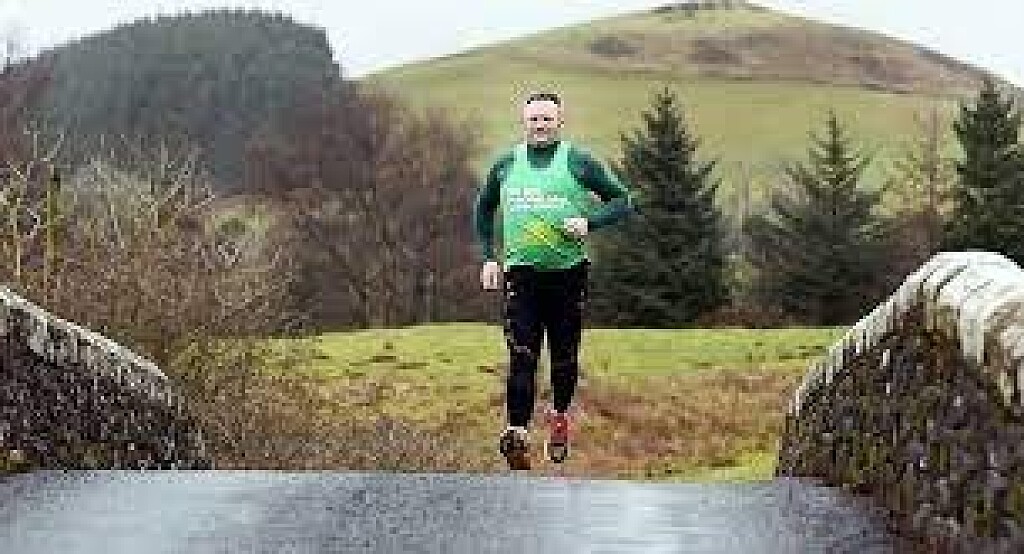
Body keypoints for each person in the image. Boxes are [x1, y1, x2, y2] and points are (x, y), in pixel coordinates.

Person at [473, 90, 633, 470]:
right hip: (521, 275)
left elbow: (623, 201)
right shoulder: (506, 164)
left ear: (559, 121)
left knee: (563, 357)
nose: (540, 125)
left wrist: (590, 222)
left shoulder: (579, 161)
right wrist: (488, 258)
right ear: (524, 121)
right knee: (522, 354)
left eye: (547, 119)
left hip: (568, 276)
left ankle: (560, 418)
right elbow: (483, 208)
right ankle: (517, 432)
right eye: (534, 119)